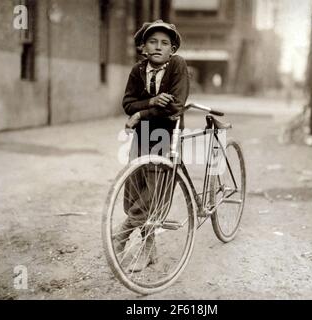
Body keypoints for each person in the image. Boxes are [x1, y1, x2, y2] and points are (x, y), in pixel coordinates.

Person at [113, 20, 190, 272]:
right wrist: (152, 102)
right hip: (142, 134)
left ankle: (123, 234)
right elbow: (127, 103)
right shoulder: (138, 70)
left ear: (173, 49)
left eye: (165, 43)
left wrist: (140, 113)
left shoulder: (177, 65)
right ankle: (150, 249)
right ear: (143, 47)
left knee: (154, 192)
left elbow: (175, 106)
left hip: (166, 133)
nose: (158, 47)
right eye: (153, 42)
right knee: (135, 187)